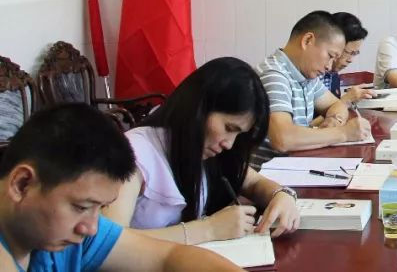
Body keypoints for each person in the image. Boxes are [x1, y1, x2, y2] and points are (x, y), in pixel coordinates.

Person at [0, 103, 242, 271]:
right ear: (22, 184)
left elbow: (168, 258)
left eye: (100, 208)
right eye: (81, 207)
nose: (91, 228)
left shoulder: (64, 234)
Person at [103, 57, 300, 245]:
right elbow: (108, 243)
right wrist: (209, 229)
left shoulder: (205, 151)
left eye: (238, 135)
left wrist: (282, 195)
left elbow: (254, 183)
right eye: (229, 128)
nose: (229, 144)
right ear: (199, 107)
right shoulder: (135, 153)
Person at [258, 11, 372, 157]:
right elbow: (283, 139)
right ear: (307, 40)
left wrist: (333, 120)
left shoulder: (307, 76)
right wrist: (343, 133)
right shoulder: (274, 74)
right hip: (268, 169)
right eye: (330, 56)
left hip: (297, 162)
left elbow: (336, 105)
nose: (329, 66)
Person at [321, 12, 370, 100]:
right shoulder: (312, 76)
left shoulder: (334, 76)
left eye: (355, 53)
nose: (350, 60)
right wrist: (346, 99)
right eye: (348, 52)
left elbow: (333, 107)